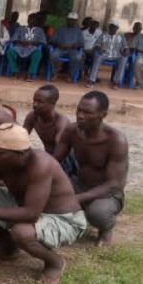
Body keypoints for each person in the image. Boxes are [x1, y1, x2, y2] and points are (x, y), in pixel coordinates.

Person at [0, 123, 87, 284]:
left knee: (22, 232)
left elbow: (31, 214)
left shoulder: (41, 165)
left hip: (63, 219)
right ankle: (8, 249)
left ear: (21, 154)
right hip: (25, 208)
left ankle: (54, 262)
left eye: (0, 152)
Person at [54, 91, 128, 246]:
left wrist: (77, 198)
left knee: (97, 214)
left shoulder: (116, 140)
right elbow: (54, 161)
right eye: (79, 110)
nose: (80, 116)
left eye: (88, 113)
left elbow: (114, 184)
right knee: (45, 188)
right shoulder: (72, 131)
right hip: (79, 184)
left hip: (107, 194)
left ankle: (106, 227)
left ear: (103, 115)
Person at [23, 84, 69, 154]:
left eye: (40, 102)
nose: (35, 104)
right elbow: (21, 138)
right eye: (34, 100)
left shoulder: (61, 122)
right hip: (50, 156)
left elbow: (60, 151)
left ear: (52, 103)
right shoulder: (32, 116)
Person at [86, 19, 126, 89]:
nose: (113, 28)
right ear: (109, 26)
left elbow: (126, 47)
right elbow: (96, 45)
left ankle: (116, 82)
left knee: (124, 58)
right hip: (104, 54)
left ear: (117, 28)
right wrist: (99, 49)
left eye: (115, 27)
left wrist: (126, 51)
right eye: (112, 26)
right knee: (97, 56)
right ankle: (92, 80)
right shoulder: (102, 35)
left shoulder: (121, 36)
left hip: (116, 55)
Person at [7, 13, 46, 81]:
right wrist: (21, 42)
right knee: (10, 52)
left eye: (33, 19)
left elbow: (43, 42)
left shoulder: (40, 30)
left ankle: (30, 74)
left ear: (36, 21)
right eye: (29, 19)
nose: (31, 20)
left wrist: (32, 43)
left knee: (38, 53)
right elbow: (14, 39)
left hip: (32, 47)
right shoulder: (21, 28)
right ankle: (15, 72)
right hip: (20, 47)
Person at [49, 12, 85, 80]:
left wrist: (76, 45)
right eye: (70, 19)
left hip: (72, 49)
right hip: (60, 48)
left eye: (73, 20)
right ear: (67, 19)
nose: (71, 21)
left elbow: (82, 43)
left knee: (77, 57)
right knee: (53, 55)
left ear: (76, 21)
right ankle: (55, 73)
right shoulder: (60, 29)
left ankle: (70, 75)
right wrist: (58, 44)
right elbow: (52, 40)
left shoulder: (78, 31)